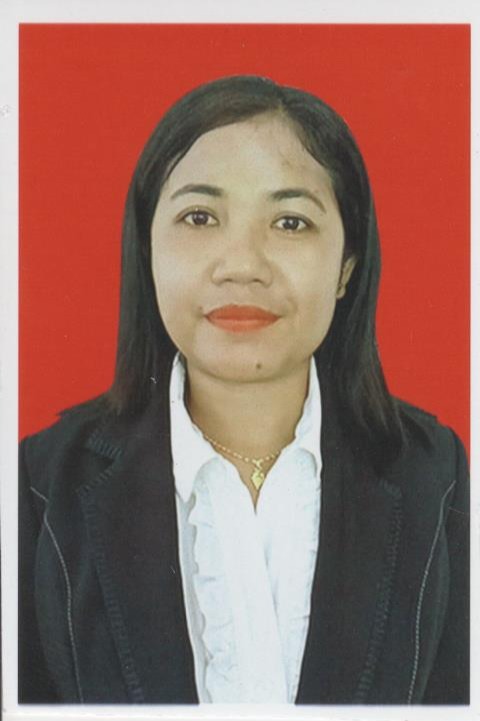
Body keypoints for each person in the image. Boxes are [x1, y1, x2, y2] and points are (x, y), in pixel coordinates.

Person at [18, 75, 469, 705]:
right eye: (200, 217)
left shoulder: (437, 476)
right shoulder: (39, 489)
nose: (242, 265)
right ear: (147, 248)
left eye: (290, 222)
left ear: (346, 266)